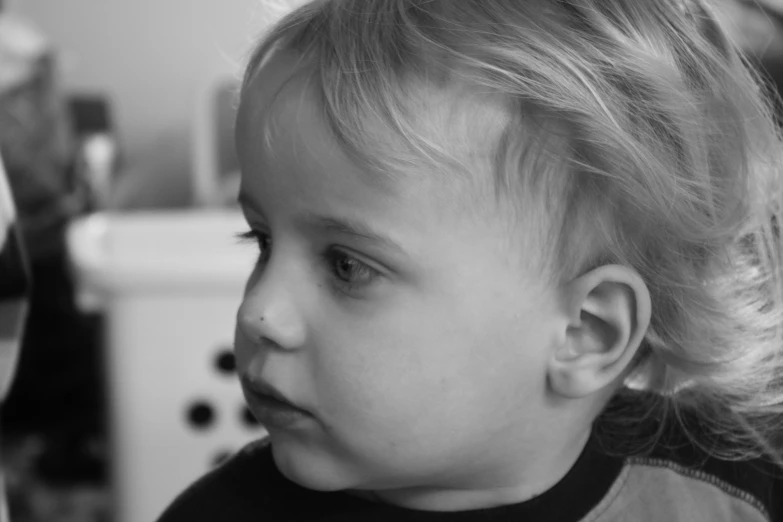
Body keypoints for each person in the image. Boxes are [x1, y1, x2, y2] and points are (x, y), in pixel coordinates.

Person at [157, 0, 783, 520]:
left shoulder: (733, 495)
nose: (260, 311)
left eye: (347, 265)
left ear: (586, 332)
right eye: (262, 241)